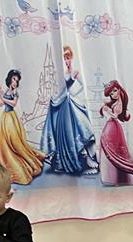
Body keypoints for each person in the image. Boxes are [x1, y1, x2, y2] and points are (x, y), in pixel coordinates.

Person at [40, 46, 98, 175]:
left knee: (81, 127)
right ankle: (64, 161)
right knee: (66, 133)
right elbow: (60, 88)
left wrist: (72, 92)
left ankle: (87, 158)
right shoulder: (59, 74)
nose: (66, 60)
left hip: (70, 104)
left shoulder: (73, 71)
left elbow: (82, 86)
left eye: (68, 57)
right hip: (62, 107)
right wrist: (70, 81)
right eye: (64, 58)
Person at [0, 69, 44, 185]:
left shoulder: (15, 92)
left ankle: (29, 163)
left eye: (17, 80)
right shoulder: (7, 91)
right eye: (14, 79)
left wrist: (3, 97)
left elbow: (14, 103)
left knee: (15, 143)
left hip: (11, 118)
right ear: (9, 79)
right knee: (3, 142)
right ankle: (7, 165)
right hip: (5, 118)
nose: (15, 82)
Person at [98, 80, 133, 187]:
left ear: (119, 90)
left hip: (113, 126)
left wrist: (106, 109)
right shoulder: (116, 102)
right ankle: (112, 177)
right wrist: (105, 107)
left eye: (115, 91)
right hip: (112, 126)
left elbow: (115, 116)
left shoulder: (119, 104)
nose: (113, 94)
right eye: (111, 93)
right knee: (110, 150)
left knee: (114, 151)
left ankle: (117, 177)